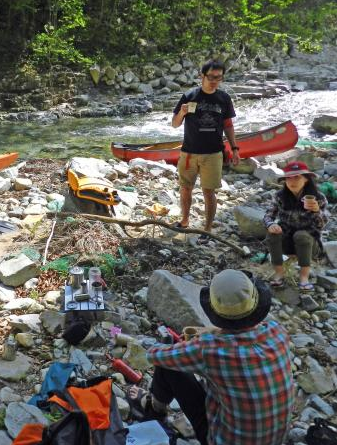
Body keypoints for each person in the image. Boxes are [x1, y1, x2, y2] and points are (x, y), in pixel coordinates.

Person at [127, 269, 294, 445]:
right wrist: (211, 334)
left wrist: (184, 346)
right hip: (275, 440)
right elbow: (244, 338)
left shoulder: (210, 349)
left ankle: (154, 409)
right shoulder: (277, 331)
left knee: (169, 366)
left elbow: (156, 356)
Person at [172, 60, 240, 244]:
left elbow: (228, 125)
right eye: (211, 77)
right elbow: (175, 124)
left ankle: (207, 229)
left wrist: (234, 148)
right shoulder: (189, 95)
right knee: (186, 188)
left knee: (209, 192)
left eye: (218, 78)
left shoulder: (224, 98)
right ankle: (185, 221)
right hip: (189, 152)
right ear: (202, 76)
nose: (214, 81)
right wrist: (182, 113)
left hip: (213, 154)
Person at [263, 161, 329, 291]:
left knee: (302, 235)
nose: (292, 181)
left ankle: (304, 277)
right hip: (286, 242)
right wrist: (270, 224)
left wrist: (317, 211)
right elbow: (268, 216)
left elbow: (323, 224)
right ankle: (279, 273)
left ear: (306, 179)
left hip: (309, 244)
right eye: (288, 178)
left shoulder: (318, 198)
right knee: (272, 233)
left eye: (297, 177)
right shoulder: (279, 196)